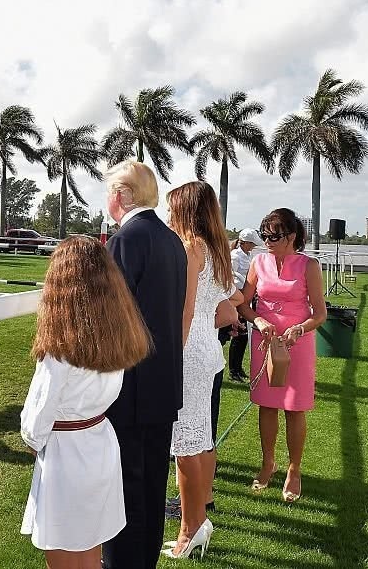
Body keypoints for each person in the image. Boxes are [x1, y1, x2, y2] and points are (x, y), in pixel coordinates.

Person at [20, 236, 152, 569]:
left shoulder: (60, 349)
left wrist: (33, 439)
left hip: (66, 457)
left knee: (63, 556)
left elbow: (36, 420)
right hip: (101, 445)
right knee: (91, 553)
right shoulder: (118, 334)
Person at [100, 160, 186, 569]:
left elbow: (111, 317)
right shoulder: (171, 240)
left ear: (122, 194)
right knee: (152, 486)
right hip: (163, 384)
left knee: (125, 490)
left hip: (130, 386)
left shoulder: (126, 240)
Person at [162, 182, 242, 559]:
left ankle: (190, 528)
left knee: (185, 447)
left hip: (189, 351)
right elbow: (231, 301)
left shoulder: (192, 246)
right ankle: (193, 524)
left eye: (171, 208)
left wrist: (171, 354)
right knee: (200, 440)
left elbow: (186, 307)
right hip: (208, 349)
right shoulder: (218, 249)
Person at [237, 208, 327, 504]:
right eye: (264, 234)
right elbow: (244, 304)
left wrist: (299, 329)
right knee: (266, 404)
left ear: (291, 236)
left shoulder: (308, 266)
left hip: (297, 344)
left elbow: (320, 314)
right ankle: (267, 463)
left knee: (294, 407)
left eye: (273, 235)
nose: (267, 240)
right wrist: (258, 320)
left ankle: (294, 469)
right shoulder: (257, 262)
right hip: (265, 342)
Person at [225, 228, 262, 382]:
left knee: (243, 337)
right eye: (251, 244)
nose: (253, 247)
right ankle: (233, 371)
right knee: (238, 335)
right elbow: (231, 278)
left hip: (245, 298)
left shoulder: (247, 255)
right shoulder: (235, 256)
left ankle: (238, 369)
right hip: (237, 298)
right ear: (245, 242)